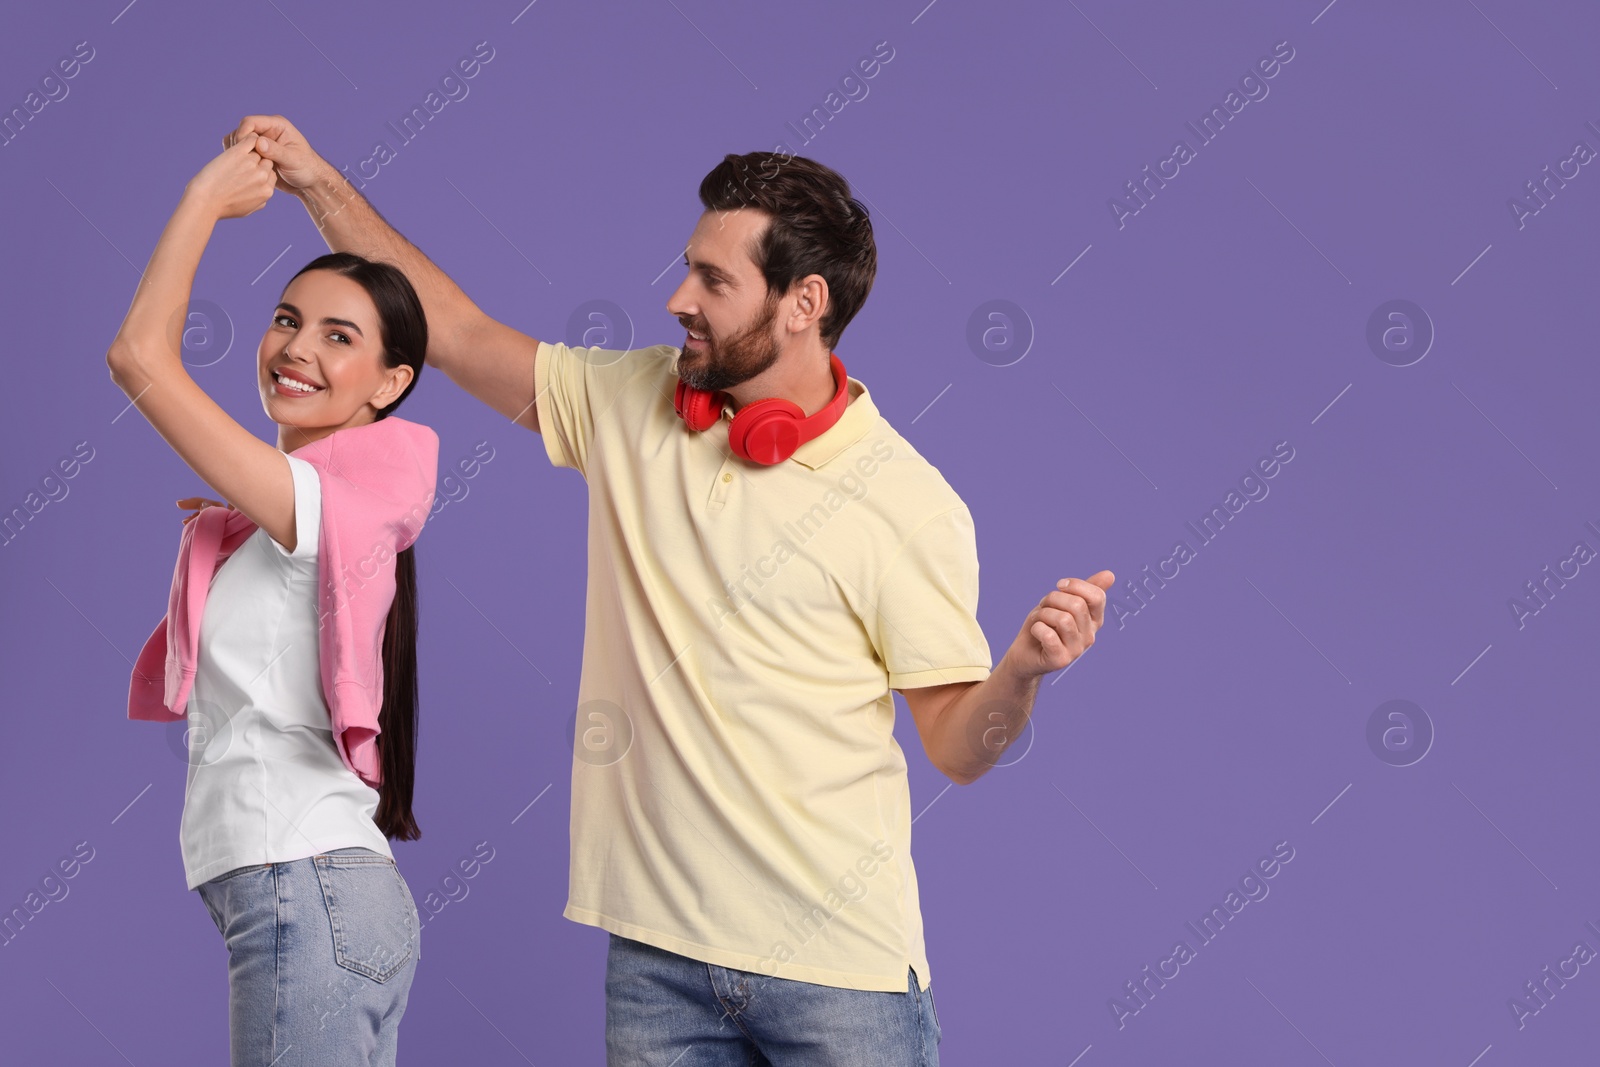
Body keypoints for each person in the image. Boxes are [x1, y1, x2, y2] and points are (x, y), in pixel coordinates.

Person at [233, 113, 1113, 1065]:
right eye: (689, 267)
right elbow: (454, 333)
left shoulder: (908, 501)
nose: (677, 297)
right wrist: (316, 180)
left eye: (714, 280)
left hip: (841, 973)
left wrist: (1022, 671)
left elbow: (956, 746)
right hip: (656, 961)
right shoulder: (631, 403)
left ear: (803, 301)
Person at [109, 136, 440, 1067]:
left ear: (390, 383)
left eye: (341, 337)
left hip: (308, 894)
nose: (297, 347)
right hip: (318, 897)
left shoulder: (324, 505)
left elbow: (138, 357)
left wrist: (204, 196)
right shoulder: (300, 510)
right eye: (289, 319)